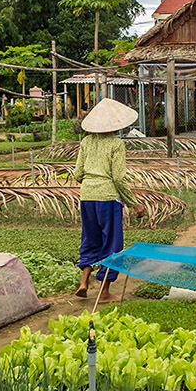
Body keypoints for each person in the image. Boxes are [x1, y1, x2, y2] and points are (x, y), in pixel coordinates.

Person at [72, 97, 145, 303]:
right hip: (108, 198)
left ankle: (84, 282)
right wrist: (134, 203)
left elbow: (78, 174)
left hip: (87, 197)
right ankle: (104, 293)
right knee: (112, 244)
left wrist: (91, 178)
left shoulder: (86, 142)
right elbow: (118, 178)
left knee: (90, 239)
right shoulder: (116, 144)